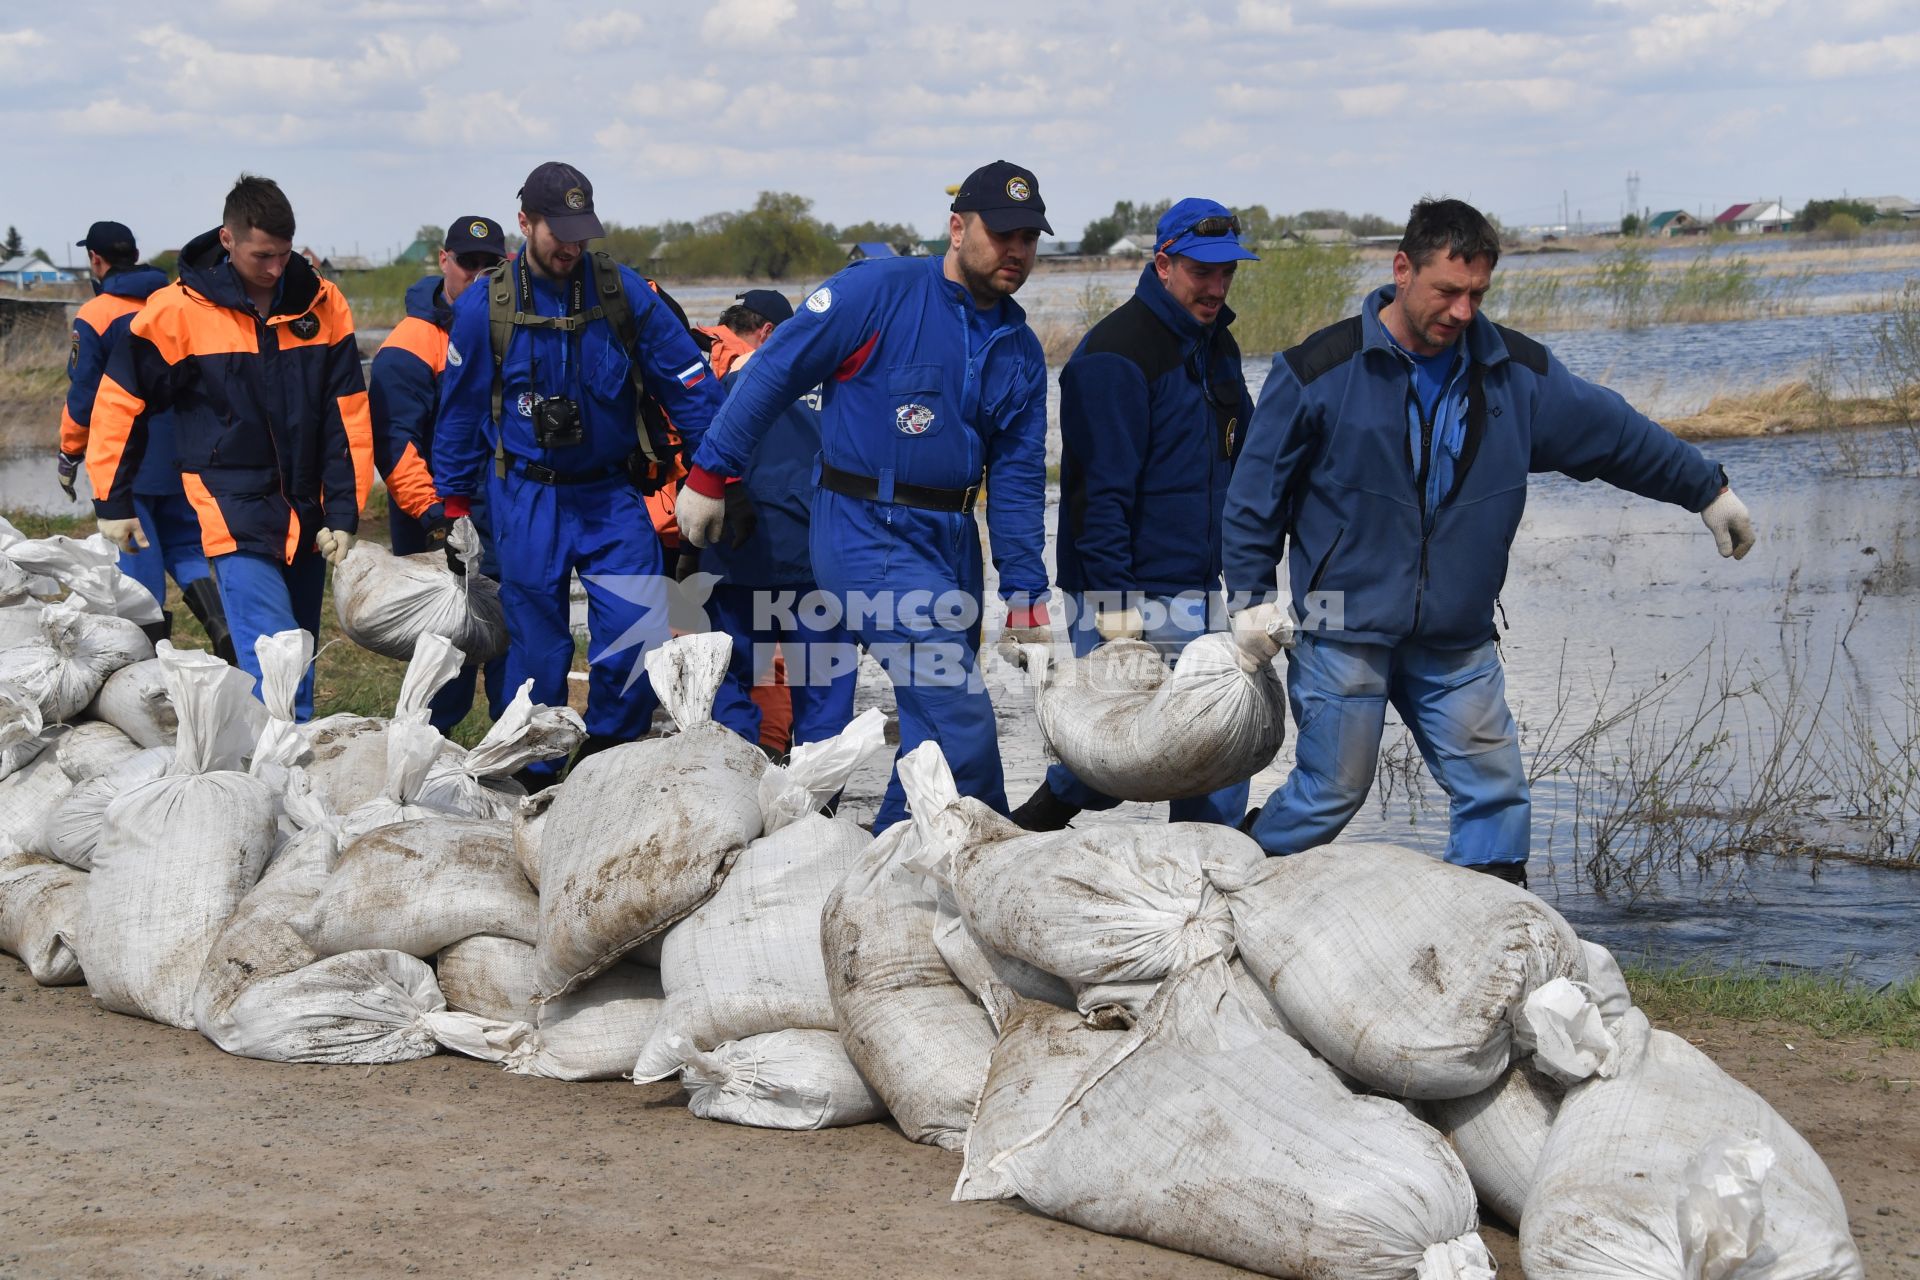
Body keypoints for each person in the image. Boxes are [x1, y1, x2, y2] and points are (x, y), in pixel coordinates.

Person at [1223, 197, 1756, 884]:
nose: (1463, 311)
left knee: (1496, 794)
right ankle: (1228, 890)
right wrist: (1249, 598)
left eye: (1477, 293)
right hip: (1342, 628)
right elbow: (1255, 493)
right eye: (1448, 290)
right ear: (1402, 269)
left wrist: (1705, 489)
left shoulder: (1514, 373)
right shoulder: (1320, 370)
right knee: (1331, 792)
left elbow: (1614, 434)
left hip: (1454, 635)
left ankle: (1489, 947)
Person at [677, 160, 1053, 831]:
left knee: (927, 717)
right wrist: (710, 474)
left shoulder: (1020, 349)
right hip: (865, 528)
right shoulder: (878, 293)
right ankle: (998, 852)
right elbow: (773, 372)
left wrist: (1025, 588)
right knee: (961, 707)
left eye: (1029, 237)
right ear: (957, 226)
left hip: (952, 540)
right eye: (1003, 234)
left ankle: (887, 850)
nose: (1017, 251)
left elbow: (1020, 478)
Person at [432, 161, 726, 776]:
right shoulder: (486, 305)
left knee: (639, 631)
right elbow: (458, 416)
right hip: (526, 497)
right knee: (537, 650)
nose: (570, 245)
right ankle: (534, 773)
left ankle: (607, 758)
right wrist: (454, 507)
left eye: (580, 231)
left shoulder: (623, 295)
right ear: (524, 223)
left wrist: (717, 476)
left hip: (608, 495)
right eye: (556, 231)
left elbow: (692, 389)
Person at [1010, 197, 1259, 832]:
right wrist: (1117, 612)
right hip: (1125, 592)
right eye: (1203, 271)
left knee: (1216, 757)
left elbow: (1247, 463)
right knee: (1110, 767)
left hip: (1200, 588)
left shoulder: (1218, 348)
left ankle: (1209, 887)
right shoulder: (1114, 355)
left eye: (1228, 271)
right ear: (1164, 264)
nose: (1217, 285)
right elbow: (1100, 496)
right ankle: (1038, 819)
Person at [89, 176, 373, 719]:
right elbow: (119, 401)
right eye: (262, 255)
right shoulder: (176, 311)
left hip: (307, 509)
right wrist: (113, 500)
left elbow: (348, 415)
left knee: (300, 653)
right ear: (227, 239)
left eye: (284, 255)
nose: (274, 268)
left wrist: (344, 510)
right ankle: (281, 772)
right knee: (278, 661)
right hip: (229, 504)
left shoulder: (323, 302)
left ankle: (272, 762)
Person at [57, 220, 232, 658]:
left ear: (96, 261)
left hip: (126, 460)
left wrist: (70, 451)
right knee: (188, 548)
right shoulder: (174, 301)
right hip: (184, 452)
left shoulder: (96, 315)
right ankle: (222, 630)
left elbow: (84, 397)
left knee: (137, 559)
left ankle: (151, 663)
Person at [696, 288, 858, 757]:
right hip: (821, 562)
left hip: (739, 559)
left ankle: (740, 767)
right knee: (823, 687)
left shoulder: (719, 384)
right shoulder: (841, 386)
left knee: (725, 673)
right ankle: (817, 809)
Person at [368, 215, 508, 733]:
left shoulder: (515, 325)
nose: (477, 274)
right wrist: (433, 513)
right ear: (444, 261)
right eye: (467, 263)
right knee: (444, 643)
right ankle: (424, 746)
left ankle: (507, 740)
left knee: (509, 628)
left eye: (489, 265)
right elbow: (395, 444)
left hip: (503, 507)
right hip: (437, 512)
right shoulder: (408, 345)